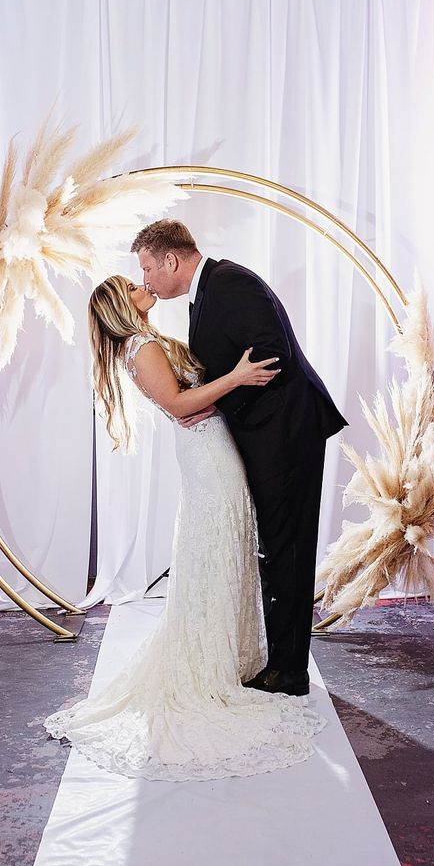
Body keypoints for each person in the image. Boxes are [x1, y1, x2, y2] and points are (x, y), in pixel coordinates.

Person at [43, 274, 327, 781]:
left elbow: (188, 399)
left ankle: (228, 655)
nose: (143, 284)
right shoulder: (142, 345)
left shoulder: (147, 341)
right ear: (120, 305)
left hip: (214, 448)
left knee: (224, 549)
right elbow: (177, 406)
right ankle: (207, 667)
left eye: (142, 276)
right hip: (206, 456)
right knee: (215, 549)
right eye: (134, 284)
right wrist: (237, 377)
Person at [132, 220, 348, 697]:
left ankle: (290, 672)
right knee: (275, 547)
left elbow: (269, 357)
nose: (146, 278)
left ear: (171, 260)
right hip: (269, 437)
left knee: (287, 550)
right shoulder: (208, 291)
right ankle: (280, 659)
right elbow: (232, 367)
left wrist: (213, 404)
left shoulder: (230, 284)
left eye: (148, 267)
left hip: (287, 436)